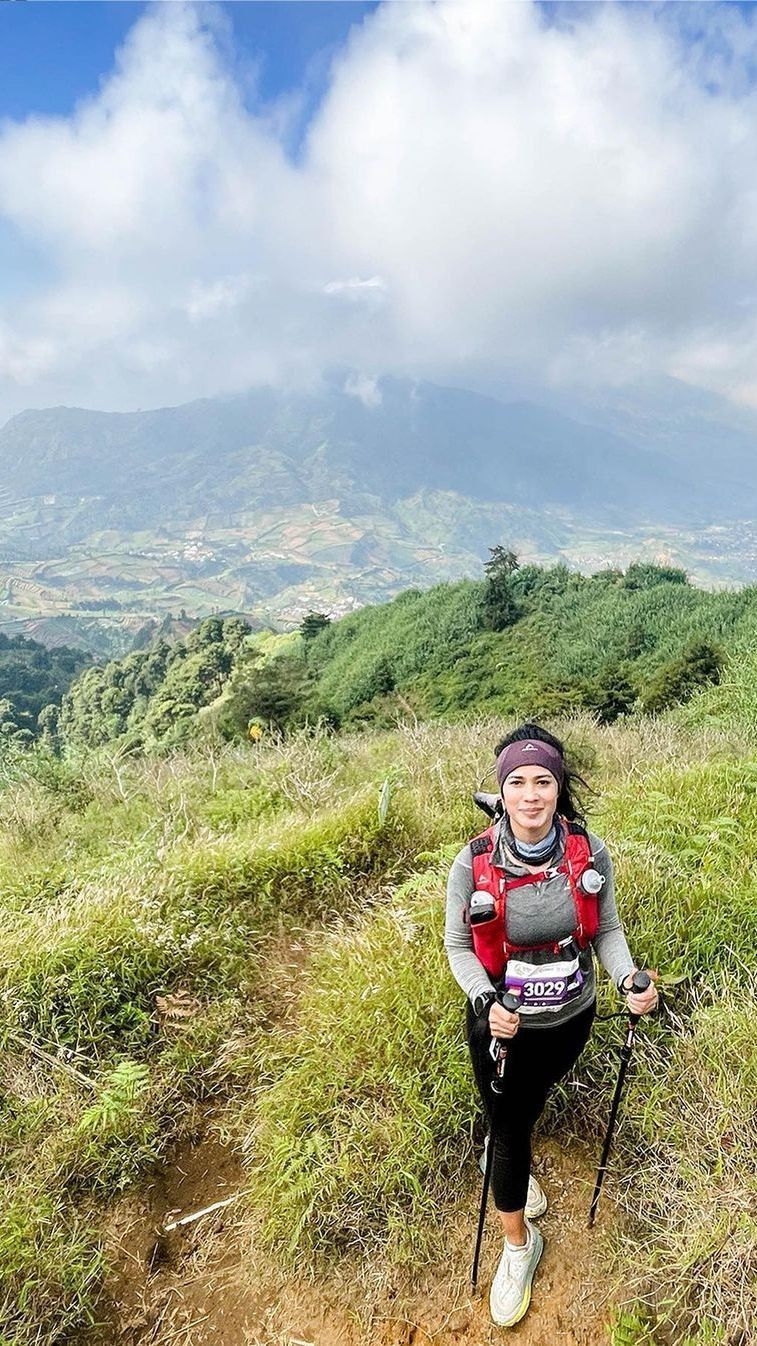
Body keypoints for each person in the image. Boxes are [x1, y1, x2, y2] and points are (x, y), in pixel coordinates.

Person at [444, 722, 658, 1328]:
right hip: (502, 1027)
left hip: (571, 1016)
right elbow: (459, 944)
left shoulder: (587, 852)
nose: (531, 794)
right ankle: (519, 1246)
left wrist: (626, 979)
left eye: (544, 781)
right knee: (510, 1126)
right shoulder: (474, 862)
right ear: (502, 790)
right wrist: (487, 1000)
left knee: (532, 1100)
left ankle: (505, 1137)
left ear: (559, 789)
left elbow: (606, 930)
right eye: (518, 782)